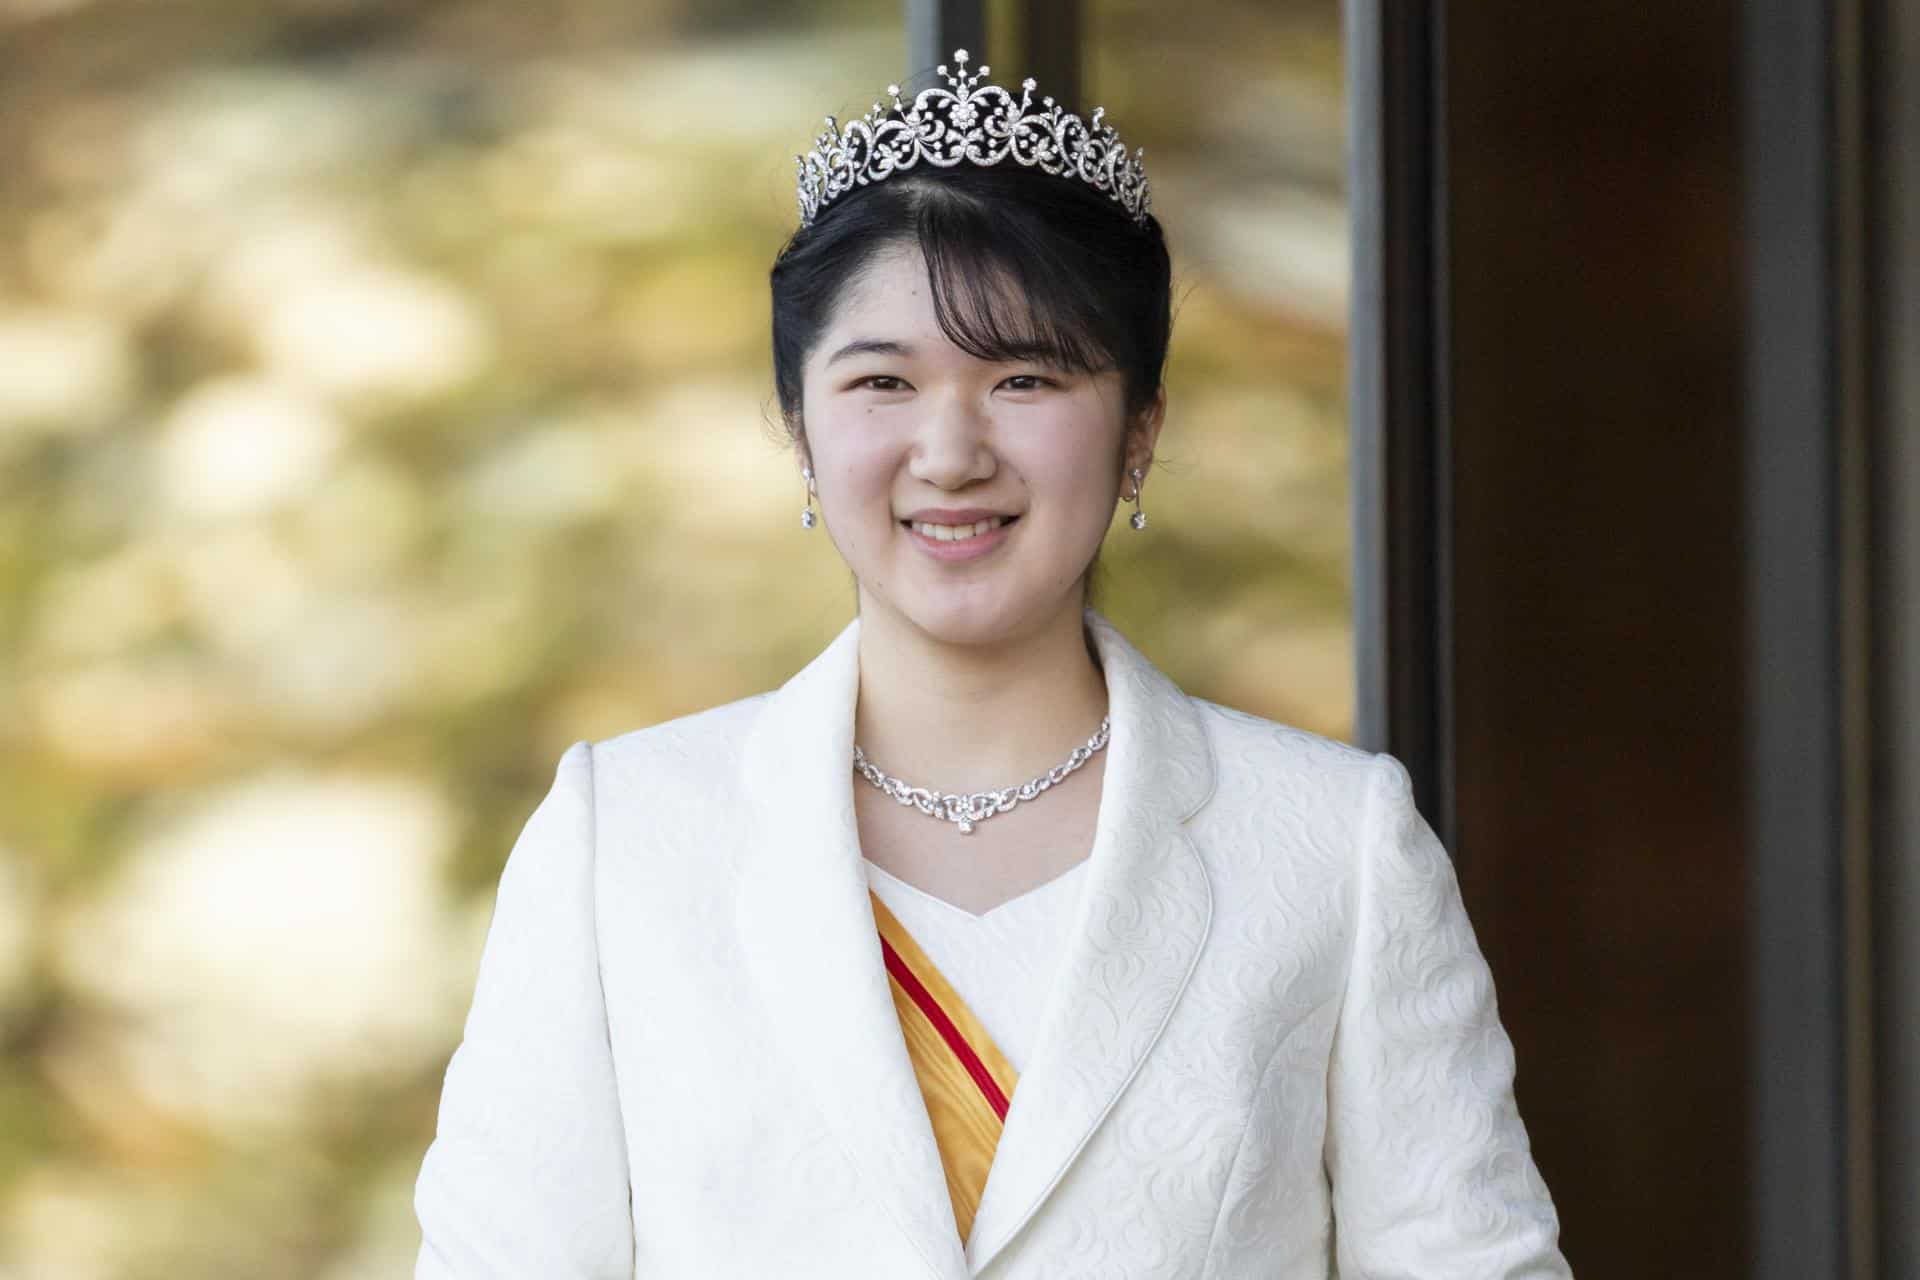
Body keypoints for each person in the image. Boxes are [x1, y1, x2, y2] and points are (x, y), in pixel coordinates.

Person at [413, 49, 1573, 1280]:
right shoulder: (627, 838)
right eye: (883, 383)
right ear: (800, 431)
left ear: (1140, 430)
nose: (952, 451)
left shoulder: (1332, 844)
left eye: (1025, 376)